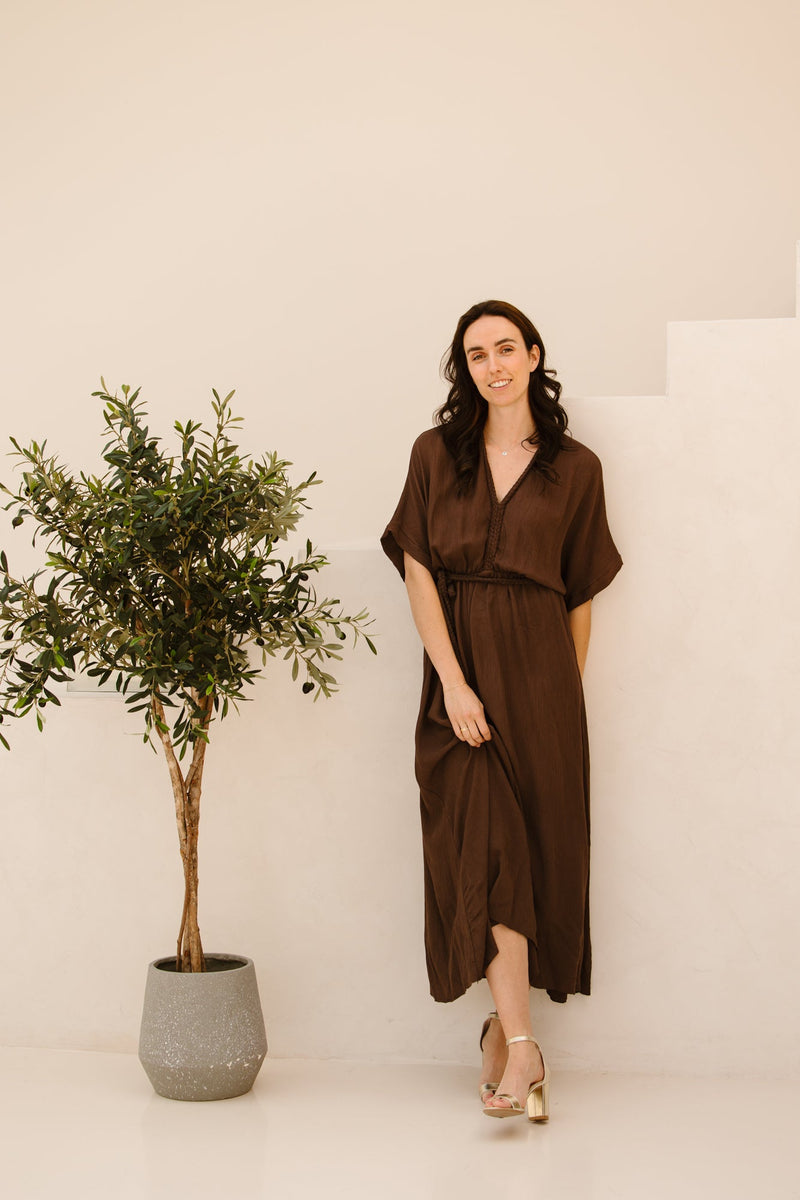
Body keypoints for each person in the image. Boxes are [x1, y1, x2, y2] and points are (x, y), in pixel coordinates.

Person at [381, 299, 623, 1121]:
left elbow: (580, 593)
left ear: (533, 355)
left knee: (530, 859)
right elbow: (418, 569)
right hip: (461, 676)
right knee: (480, 847)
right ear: (465, 369)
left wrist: (561, 697)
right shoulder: (435, 454)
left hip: (543, 680)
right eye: (476, 354)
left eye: (506, 348)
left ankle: (506, 1035)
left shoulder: (576, 468)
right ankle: (525, 1047)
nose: (493, 365)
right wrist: (452, 682)